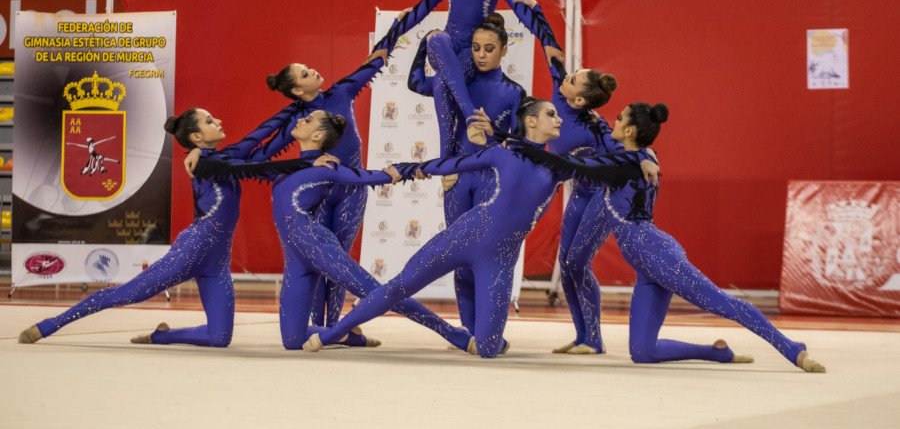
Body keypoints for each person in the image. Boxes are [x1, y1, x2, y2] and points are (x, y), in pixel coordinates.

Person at [303, 98, 654, 357]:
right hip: (466, 234)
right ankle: (334, 332)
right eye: (550, 113)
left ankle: (462, 336)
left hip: (500, 257)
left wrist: (643, 156)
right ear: (530, 122)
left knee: (487, 348)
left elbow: (609, 160)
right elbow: (454, 162)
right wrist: (406, 169)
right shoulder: (502, 152)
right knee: (398, 287)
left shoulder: (559, 167)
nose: (558, 119)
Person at [557, 102, 827, 372]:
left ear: (628, 130)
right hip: (645, 267)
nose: (612, 121)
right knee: (643, 352)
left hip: (658, 254)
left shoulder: (628, 164)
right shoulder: (641, 158)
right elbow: (620, 146)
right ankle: (715, 353)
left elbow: (577, 162)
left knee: (719, 302)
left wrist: (526, 149)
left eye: (618, 118)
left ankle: (792, 347)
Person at [19, 108, 316, 347]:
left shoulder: (222, 156)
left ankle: (162, 335)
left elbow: (261, 136)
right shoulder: (203, 164)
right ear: (198, 136)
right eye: (210, 121)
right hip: (191, 250)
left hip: (216, 262)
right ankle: (49, 325)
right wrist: (309, 165)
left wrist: (296, 109)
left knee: (219, 339)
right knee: (127, 294)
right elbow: (253, 168)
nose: (219, 120)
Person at [195, 109, 473, 351]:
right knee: (293, 341)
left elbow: (379, 176)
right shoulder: (287, 168)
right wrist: (197, 151)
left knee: (377, 292)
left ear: (317, 136)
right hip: (295, 259)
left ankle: (453, 333)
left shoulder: (328, 166)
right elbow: (238, 165)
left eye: (309, 119)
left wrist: (413, 170)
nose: (302, 119)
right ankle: (348, 337)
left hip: (318, 245)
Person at [367, 0, 563, 145]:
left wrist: (548, 41)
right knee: (436, 38)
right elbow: (419, 10)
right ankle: (471, 117)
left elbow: (521, 8)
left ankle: (445, 160)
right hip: (446, 48)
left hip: (472, 51)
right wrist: (385, 42)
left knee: (440, 82)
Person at [408, 14, 525, 335]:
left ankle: (488, 327)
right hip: (457, 176)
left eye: (489, 48)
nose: (482, 55)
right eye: (475, 48)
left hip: (492, 177)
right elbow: (415, 82)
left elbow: (522, 142)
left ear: (504, 50)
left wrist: (495, 130)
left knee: (488, 251)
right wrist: (424, 44)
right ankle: (470, 329)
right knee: (460, 252)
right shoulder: (456, 82)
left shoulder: (513, 91)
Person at [256, 57, 385, 328]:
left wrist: (400, 26)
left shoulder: (342, 91)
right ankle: (317, 326)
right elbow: (259, 159)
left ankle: (334, 327)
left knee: (340, 259)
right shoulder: (299, 120)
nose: (313, 69)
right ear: (298, 92)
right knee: (319, 261)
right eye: (305, 73)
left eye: (308, 67)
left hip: (352, 190)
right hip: (321, 193)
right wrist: (304, 164)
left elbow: (375, 61)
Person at [546, 58, 623, 354]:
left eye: (573, 78)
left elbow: (621, 153)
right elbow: (549, 46)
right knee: (565, 265)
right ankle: (582, 337)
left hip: (603, 195)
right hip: (580, 192)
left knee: (578, 261)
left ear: (579, 99)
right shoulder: (559, 92)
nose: (567, 77)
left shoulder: (597, 126)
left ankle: (594, 338)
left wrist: (646, 157)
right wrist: (530, 8)